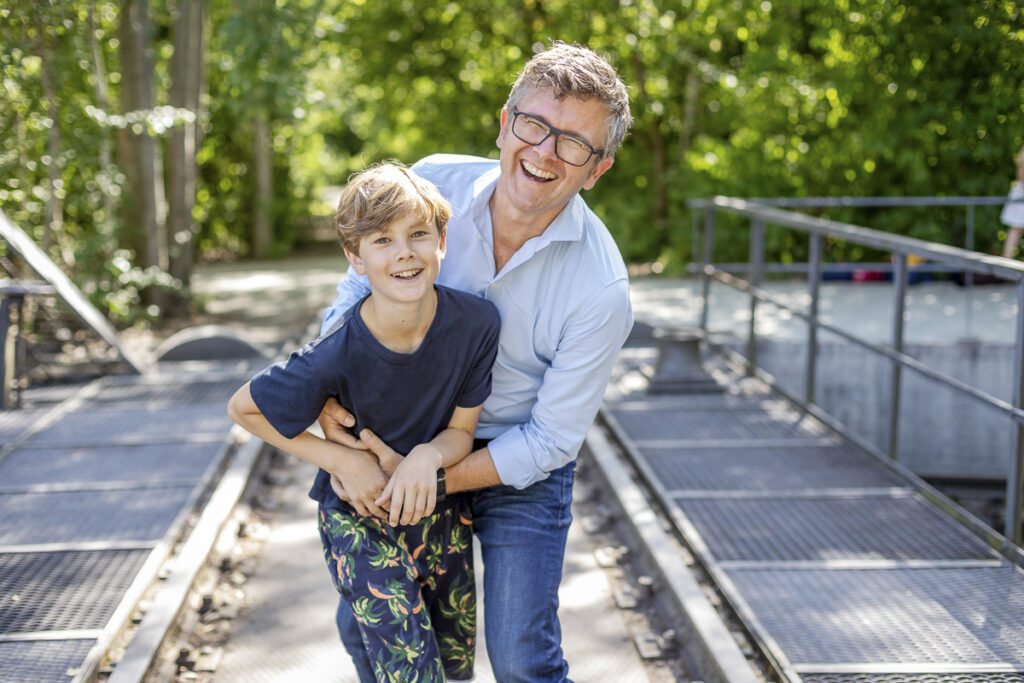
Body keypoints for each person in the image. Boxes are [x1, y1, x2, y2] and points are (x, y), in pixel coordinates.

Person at [319, 41, 633, 682]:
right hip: (405, 435)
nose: (544, 152)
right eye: (534, 125)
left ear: (596, 169)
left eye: (573, 142)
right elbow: (355, 293)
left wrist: (432, 479)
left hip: (515, 461)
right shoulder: (432, 185)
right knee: (371, 625)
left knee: (522, 658)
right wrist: (335, 420)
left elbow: (551, 439)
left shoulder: (602, 289)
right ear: (504, 123)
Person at [227, 162, 501, 682]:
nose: (404, 252)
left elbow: (461, 432)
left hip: (440, 514)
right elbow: (242, 407)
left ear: (442, 242)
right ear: (355, 258)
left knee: (453, 666)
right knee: (411, 671)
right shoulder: (335, 352)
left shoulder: (477, 325)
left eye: (419, 234)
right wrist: (341, 460)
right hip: (359, 517)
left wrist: (427, 455)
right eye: (382, 240)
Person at [1001, 143, 1024, 258]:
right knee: (1016, 229)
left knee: (1015, 229)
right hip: (1021, 196)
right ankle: (1007, 257)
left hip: (1020, 195)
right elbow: (1021, 175)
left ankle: (1007, 256)